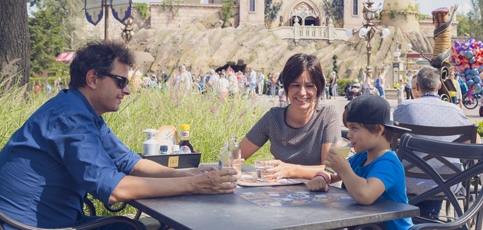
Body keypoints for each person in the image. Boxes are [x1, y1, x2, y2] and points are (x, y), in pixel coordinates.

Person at [0, 41, 237, 230]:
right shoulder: (70, 117)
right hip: (29, 225)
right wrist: (194, 184)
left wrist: (190, 172)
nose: (127, 90)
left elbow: (129, 161)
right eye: (121, 81)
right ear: (93, 79)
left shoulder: (81, 111)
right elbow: (114, 190)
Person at [305, 95, 413, 230]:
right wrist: (323, 177)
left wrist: (344, 169)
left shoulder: (388, 163)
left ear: (379, 130)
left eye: (354, 128)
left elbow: (365, 195)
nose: (349, 135)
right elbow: (333, 173)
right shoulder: (361, 157)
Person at [392, 66, 481, 219]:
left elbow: (392, 139)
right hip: (450, 183)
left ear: (417, 87)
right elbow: (476, 144)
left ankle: (416, 219)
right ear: (439, 86)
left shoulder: (404, 108)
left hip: (408, 181)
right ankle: (431, 219)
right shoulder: (455, 110)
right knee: (438, 172)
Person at [240, 53, 340, 180]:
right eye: (295, 85)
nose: (302, 92)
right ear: (286, 88)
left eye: (309, 86)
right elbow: (236, 156)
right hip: (283, 195)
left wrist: (289, 170)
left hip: (323, 195)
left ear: (319, 89)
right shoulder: (273, 118)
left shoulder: (327, 115)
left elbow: (333, 169)